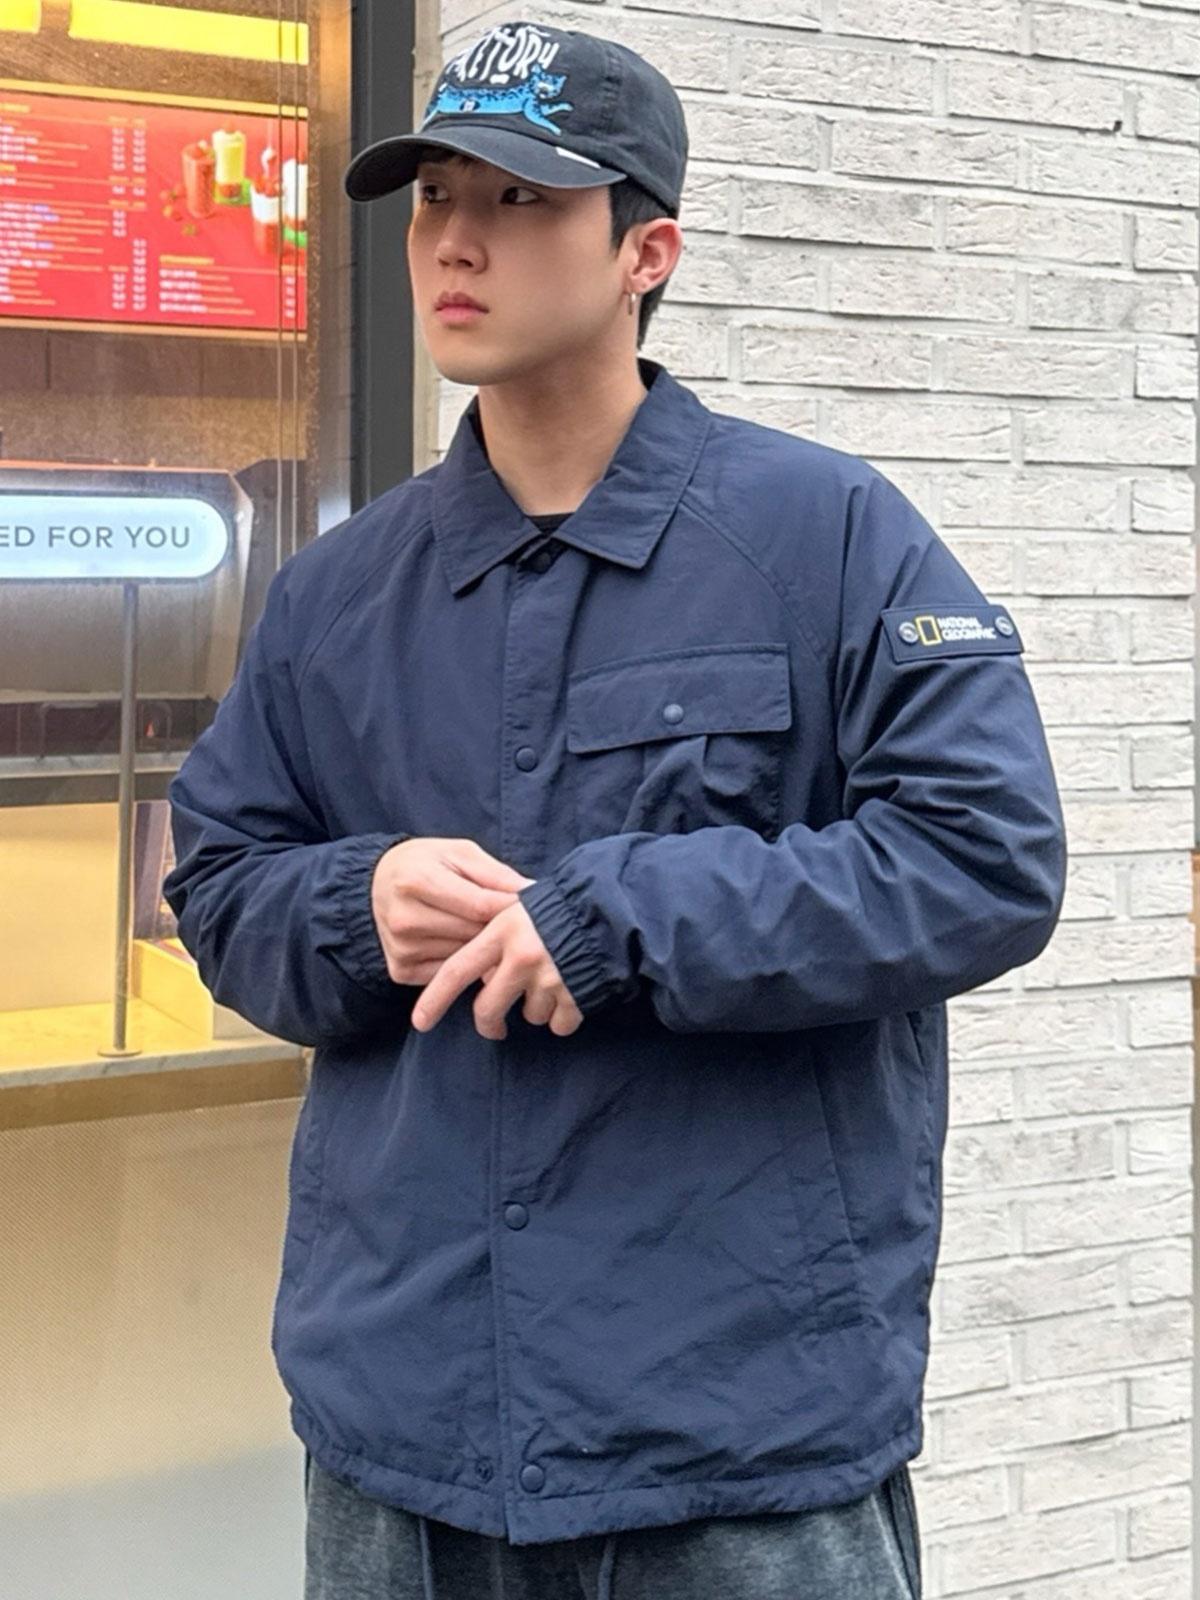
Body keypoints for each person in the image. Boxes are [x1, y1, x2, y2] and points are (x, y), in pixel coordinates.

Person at [163, 19, 1066, 1600]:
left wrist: (627, 916)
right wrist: (351, 905)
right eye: (435, 197)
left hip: (735, 1440)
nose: (455, 241)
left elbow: (980, 859)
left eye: (520, 199)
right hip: (406, 1439)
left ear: (648, 251)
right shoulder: (337, 594)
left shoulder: (828, 535)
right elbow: (223, 882)